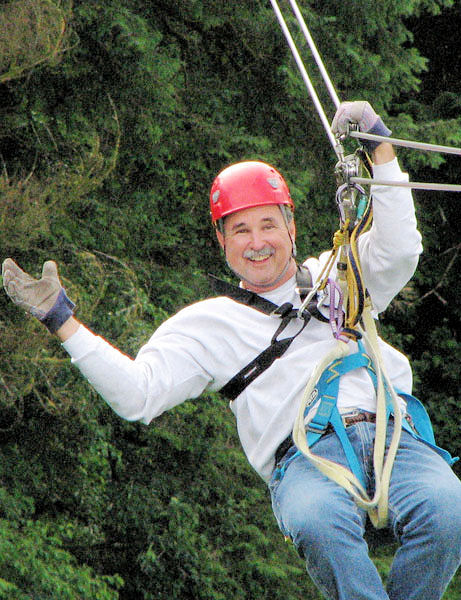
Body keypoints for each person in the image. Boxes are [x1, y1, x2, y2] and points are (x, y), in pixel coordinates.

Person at [3, 101, 461, 600]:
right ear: (221, 240)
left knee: (450, 514)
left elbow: (399, 249)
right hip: (307, 459)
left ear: (291, 226)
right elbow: (137, 395)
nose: (257, 242)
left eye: (268, 225)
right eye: (240, 230)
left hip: (395, 438)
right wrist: (62, 322)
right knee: (319, 526)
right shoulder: (208, 325)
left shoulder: (340, 272)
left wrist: (380, 146)